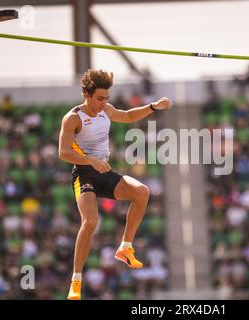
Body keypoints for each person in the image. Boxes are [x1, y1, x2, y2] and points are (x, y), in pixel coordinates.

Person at [58, 69, 173, 300]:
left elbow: (128, 116)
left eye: (106, 98)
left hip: (104, 171)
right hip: (84, 174)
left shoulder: (106, 111)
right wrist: (90, 160)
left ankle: (125, 247)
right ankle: (76, 281)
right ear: (86, 94)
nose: (103, 103)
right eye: (99, 98)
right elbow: (63, 152)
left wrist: (153, 106)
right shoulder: (73, 118)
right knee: (90, 221)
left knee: (142, 192)